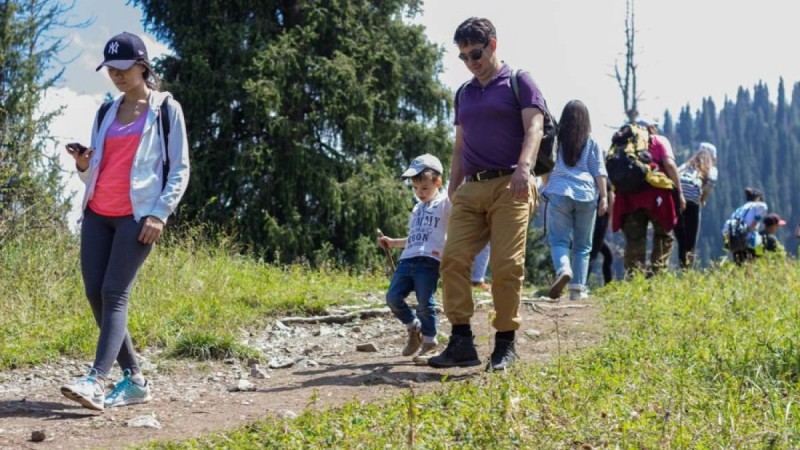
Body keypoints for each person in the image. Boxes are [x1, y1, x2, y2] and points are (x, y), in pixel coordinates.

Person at [60, 32, 190, 411]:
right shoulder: (105, 110)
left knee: (115, 293)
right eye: (110, 69)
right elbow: (99, 168)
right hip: (98, 213)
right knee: (93, 294)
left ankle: (96, 380)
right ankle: (135, 381)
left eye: (123, 68)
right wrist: (84, 163)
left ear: (142, 66)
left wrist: (160, 213)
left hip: (138, 217)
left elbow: (179, 168)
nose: (116, 75)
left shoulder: (166, 109)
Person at [429, 17, 545, 371]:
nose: (470, 61)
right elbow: (459, 145)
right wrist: (451, 189)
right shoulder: (463, 93)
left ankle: (505, 344)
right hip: (471, 188)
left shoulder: (518, 81)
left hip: (512, 183)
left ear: (493, 45)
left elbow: (535, 127)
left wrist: (525, 168)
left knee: (506, 266)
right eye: (463, 56)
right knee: (452, 259)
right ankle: (462, 340)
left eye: (476, 53)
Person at [378, 154, 448, 362]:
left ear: (438, 182)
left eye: (424, 188)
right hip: (408, 259)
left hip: (429, 260)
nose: (419, 193)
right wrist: (392, 242)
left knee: (425, 303)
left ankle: (429, 340)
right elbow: (415, 238)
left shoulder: (446, 203)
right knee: (392, 297)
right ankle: (413, 328)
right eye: (415, 189)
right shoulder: (417, 208)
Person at [542, 100, 608, 301]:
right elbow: (599, 172)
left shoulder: (556, 140)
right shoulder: (591, 142)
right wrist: (604, 197)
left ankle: (563, 269)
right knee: (583, 246)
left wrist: (547, 188)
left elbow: (546, 164)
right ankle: (577, 289)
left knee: (558, 240)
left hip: (559, 192)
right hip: (586, 194)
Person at [610, 119, 685, 276]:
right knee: (664, 235)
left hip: (629, 196)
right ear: (653, 127)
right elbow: (670, 165)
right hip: (657, 194)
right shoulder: (659, 140)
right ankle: (657, 274)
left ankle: (634, 277)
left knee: (634, 238)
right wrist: (679, 193)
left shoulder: (624, 144)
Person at [674, 142, 718, 268]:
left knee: (681, 240)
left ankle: (682, 266)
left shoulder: (687, 165)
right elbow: (710, 184)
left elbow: (675, 175)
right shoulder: (711, 169)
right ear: (712, 157)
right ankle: (687, 271)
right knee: (691, 242)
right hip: (693, 203)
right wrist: (703, 199)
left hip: (678, 200)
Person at [722, 187, 768, 264]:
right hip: (752, 240)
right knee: (758, 261)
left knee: (740, 265)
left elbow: (726, 227)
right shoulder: (756, 206)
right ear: (757, 198)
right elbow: (764, 207)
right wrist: (755, 222)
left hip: (737, 243)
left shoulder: (738, 210)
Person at [588, 186, 614, 286]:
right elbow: (611, 201)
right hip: (601, 219)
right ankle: (580, 285)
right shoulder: (604, 180)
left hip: (597, 220)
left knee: (608, 256)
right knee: (592, 255)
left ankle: (609, 286)